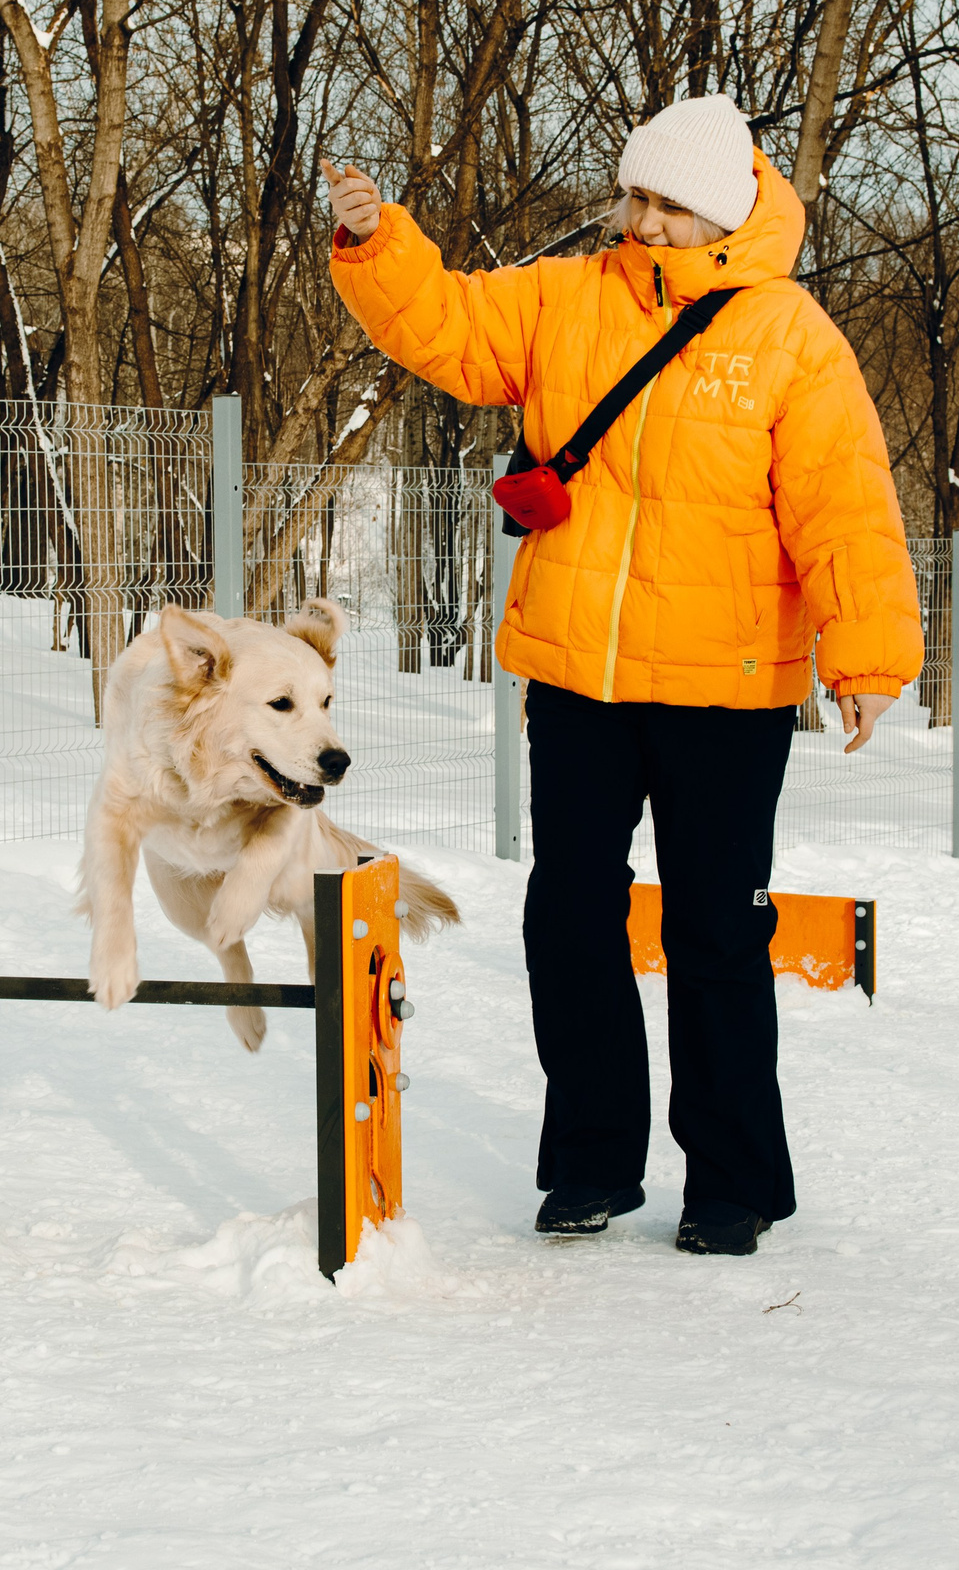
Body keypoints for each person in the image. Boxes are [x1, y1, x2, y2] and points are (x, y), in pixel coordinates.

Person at [322, 93, 922, 1256]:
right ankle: (589, 1165)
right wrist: (377, 241)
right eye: (633, 195)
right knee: (572, 917)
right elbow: (445, 325)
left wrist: (865, 655)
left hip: (727, 687)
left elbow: (845, 508)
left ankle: (732, 1181)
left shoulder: (792, 338)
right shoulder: (566, 297)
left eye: (666, 204)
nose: (639, 221)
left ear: (725, 213)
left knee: (714, 932)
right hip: (579, 675)